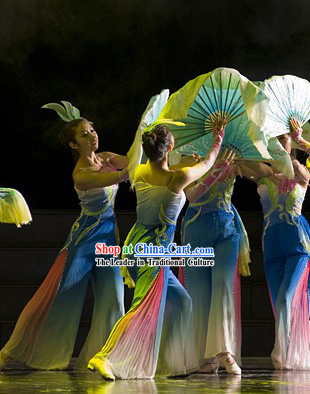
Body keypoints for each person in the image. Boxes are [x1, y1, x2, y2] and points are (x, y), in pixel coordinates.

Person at [87, 118, 231, 380]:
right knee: (142, 305)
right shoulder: (179, 177)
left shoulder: (141, 172)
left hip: (135, 247)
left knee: (182, 302)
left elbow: (182, 180)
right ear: (171, 145)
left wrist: (193, 165)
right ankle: (104, 356)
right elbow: (208, 163)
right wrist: (217, 138)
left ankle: (168, 362)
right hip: (153, 252)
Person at [0, 117, 128, 370]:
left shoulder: (107, 158)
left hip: (108, 242)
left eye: (92, 130)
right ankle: (17, 351)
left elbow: (136, 161)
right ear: (73, 144)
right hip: (84, 240)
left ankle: (107, 358)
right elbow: (125, 175)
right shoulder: (80, 175)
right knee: (59, 298)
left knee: (115, 298)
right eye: (84, 134)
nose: (92, 135)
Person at [179, 153, 272, 375]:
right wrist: (214, 168)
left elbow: (267, 172)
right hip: (196, 227)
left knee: (223, 286)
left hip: (227, 229)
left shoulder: (233, 157)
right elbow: (191, 195)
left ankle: (224, 350)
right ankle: (204, 356)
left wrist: (241, 161)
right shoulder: (187, 158)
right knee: (199, 291)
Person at [246, 119, 310, 369]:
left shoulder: (300, 171)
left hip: (298, 247)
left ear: (292, 141)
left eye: (284, 138)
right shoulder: (264, 174)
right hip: (271, 246)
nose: (280, 142)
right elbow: (242, 165)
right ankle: (290, 349)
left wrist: (300, 141)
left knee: (286, 299)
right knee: (278, 301)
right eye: (276, 138)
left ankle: (282, 354)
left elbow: (304, 172)